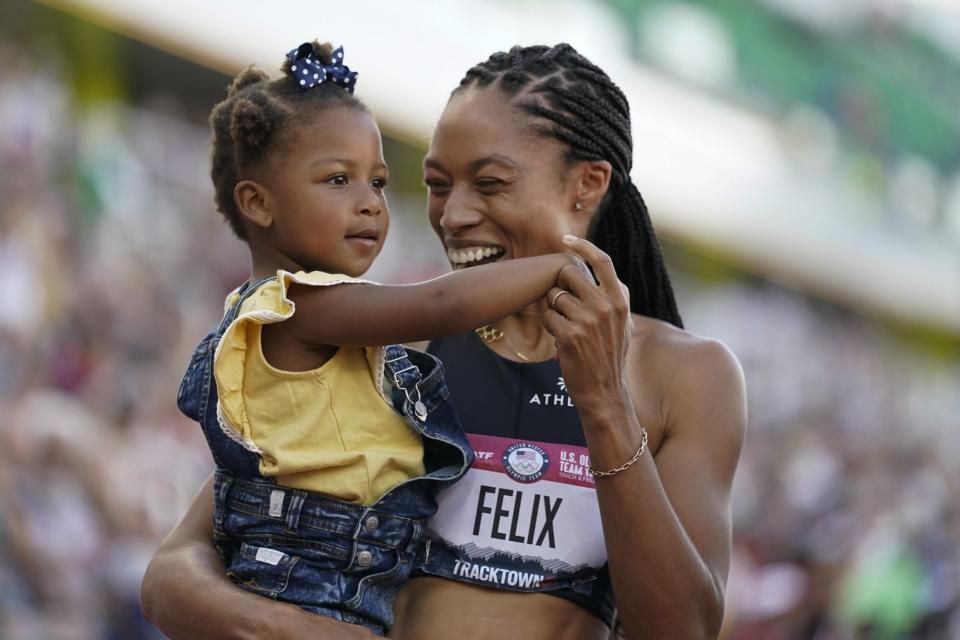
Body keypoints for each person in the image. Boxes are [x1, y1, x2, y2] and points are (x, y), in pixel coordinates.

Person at [141, 43, 747, 640]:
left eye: (488, 183)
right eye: (436, 185)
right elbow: (174, 572)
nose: (453, 215)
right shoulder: (393, 342)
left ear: (586, 185)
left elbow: (682, 628)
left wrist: (605, 404)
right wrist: (285, 626)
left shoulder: (685, 375)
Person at [178, 40, 591, 636]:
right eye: (339, 179)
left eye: (377, 181)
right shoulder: (294, 307)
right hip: (305, 575)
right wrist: (559, 265)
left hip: (351, 571)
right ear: (258, 203)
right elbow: (438, 302)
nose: (371, 203)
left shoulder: (319, 315)